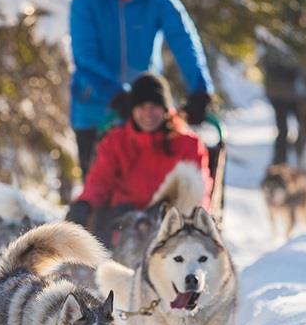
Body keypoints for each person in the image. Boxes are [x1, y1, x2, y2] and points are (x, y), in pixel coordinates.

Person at [69, 0, 214, 180]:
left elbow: (184, 41)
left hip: (144, 112)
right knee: (99, 192)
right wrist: (117, 94)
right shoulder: (86, 1)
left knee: (142, 191)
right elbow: (85, 57)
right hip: (94, 110)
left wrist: (199, 90)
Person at [65, 73, 212, 242]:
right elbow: (99, 181)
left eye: (154, 106)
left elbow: (198, 192)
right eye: (141, 107)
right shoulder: (116, 141)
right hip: (124, 220)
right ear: (132, 110)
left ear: (165, 109)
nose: (148, 113)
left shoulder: (187, 144)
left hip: (170, 225)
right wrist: (85, 203)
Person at [262, 43, 306, 166]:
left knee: (304, 128)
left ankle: (300, 160)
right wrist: (291, 72)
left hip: (298, 96)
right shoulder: (273, 40)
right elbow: (268, 65)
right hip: (279, 95)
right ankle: (280, 162)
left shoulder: (305, 41)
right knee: (283, 129)